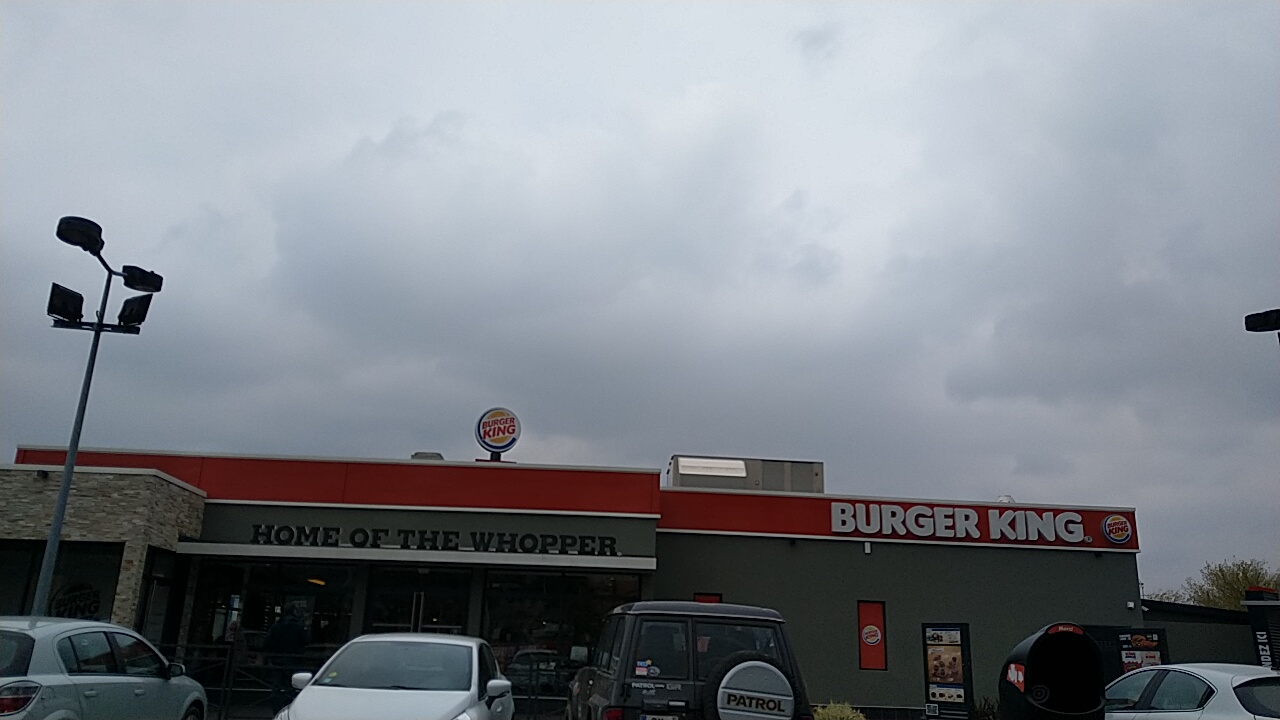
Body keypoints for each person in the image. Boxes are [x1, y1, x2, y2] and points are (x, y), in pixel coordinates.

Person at [265, 605, 311, 713]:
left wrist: (272, 654)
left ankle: (277, 708)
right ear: (294, 611)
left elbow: (268, 641)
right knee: (292, 685)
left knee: (277, 685)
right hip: (294, 659)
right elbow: (306, 640)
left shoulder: (277, 624)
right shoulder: (298, 625)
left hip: (278, 659)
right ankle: (290, 708)